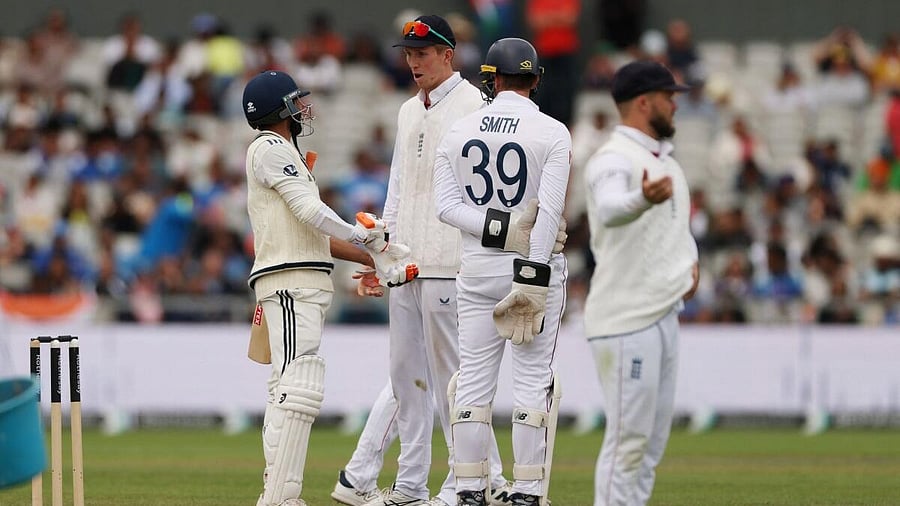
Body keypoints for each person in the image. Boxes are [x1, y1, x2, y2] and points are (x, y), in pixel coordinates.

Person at [334, 15, 512, 506]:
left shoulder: (476, 106)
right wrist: (381, 256)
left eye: (424, 53)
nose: (414, 62)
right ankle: (412, 485)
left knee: (453, 381)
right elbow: (396, 192)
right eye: (410, 54)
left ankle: (469, 481)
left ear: (448, 55)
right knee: (407, 379)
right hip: (407, 264)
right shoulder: (409, 111)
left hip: (451, 261)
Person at [241, 69, 418, 506]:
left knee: (289, 387)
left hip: (297, 280)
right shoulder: (270, 148)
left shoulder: (281, 151)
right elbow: (309, 211)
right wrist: (366, 236)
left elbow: (311, 230)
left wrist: (371, 256)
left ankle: (280, 496)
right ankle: (281, 498)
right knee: (296, 387)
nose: (303, 109)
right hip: (289, 283)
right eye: (295, 102)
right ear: (280, 109)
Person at [433, 37, 570, 506]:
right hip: (531, 268)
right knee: (532, 380)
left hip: (476, 267)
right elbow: (547, 216)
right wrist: (531, 269)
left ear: (490, 78)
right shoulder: (552, 131)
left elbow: (446, 207)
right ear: (535, 80)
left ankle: (470, 488)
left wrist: (499, 228)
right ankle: (527, 491)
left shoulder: (458, 131)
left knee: (472, 379)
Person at [582, 60, 699, 506]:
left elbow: (673, 229)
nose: (675, 106)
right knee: (628, 441)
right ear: (645, 102)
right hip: (627, 319)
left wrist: (690, 261)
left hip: (661, 313)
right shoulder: (614, 158)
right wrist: (640, 198)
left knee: (649, 445)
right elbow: (612, 207)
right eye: (670, 98)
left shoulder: (661, 159)